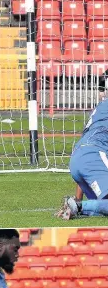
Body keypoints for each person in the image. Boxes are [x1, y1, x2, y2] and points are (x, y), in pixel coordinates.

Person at [57, 91, 108, 220]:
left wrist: (77, 199)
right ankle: (78, 206)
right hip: (93, 155)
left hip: (79, 158)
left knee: (101, 207)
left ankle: (76, 207)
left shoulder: (100, 108)